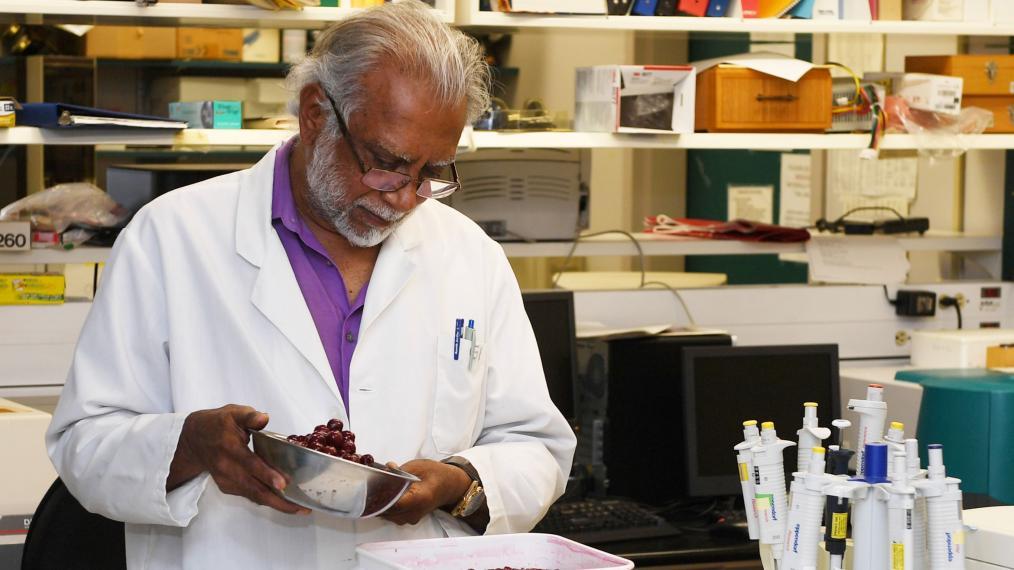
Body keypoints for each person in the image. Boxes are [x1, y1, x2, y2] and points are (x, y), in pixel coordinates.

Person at [45, 2, 576, 567]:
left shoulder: (470, 255)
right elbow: (85, 442)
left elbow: (535, 446)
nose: (403, 197)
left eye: (432, 173)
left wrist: (458, 483)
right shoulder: (171, 238)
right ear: (315, 113)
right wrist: (188, 445)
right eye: (386, 162)